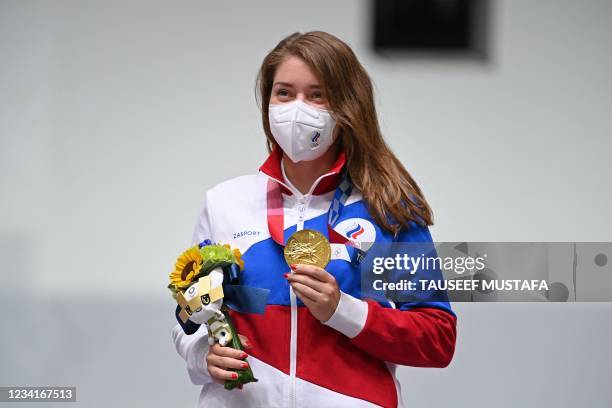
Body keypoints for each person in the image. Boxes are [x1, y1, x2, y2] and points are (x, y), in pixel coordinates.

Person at [172, 30, 457, 408]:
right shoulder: (225, 201)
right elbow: (189, 315)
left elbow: (437, 339)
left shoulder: (388, 209)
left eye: (316, 94)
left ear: (347, 106)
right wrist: (201, 357)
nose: (297, 108)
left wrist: (343, 311)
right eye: (284, 93)